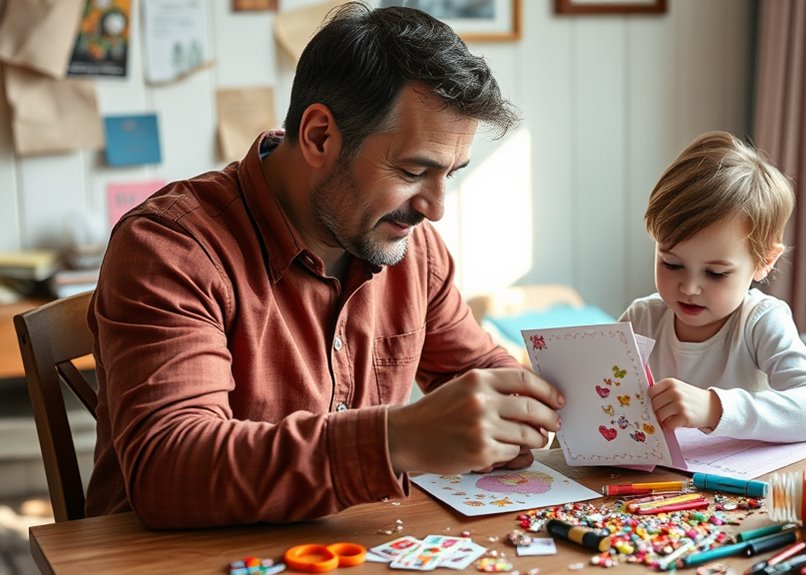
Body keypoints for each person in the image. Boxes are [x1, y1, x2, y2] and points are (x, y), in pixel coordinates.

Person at [86, 3, 564, 529]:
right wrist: (395, 439)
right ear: (318, 136)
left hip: (349, 547)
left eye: (449, 173)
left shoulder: (412, 247)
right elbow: (170, 470)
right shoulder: (171, 248)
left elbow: (478, 374)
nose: (435, 207)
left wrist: (546, 408)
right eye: (412, 170)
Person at [620, 131, 806, 443]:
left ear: (764, 261)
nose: (690, 287)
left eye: (715, 273)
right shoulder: (641, 319)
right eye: (671, 264)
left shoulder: (760, 321)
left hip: (735, 488)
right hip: (653, 486)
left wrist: (714, 408)